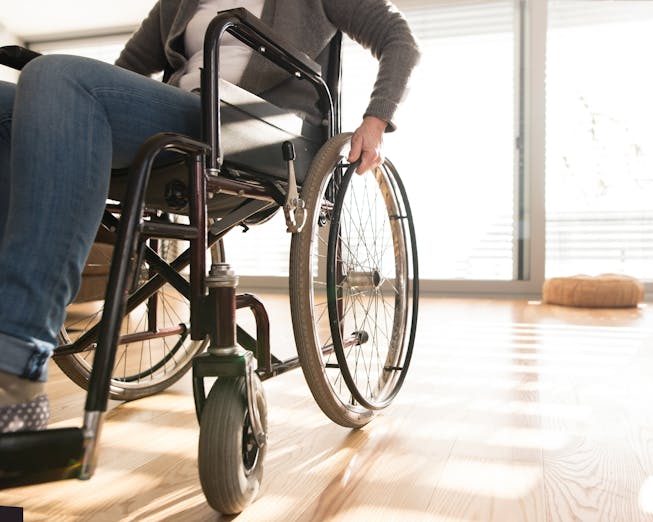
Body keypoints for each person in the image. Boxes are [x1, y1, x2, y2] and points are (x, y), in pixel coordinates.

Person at [0, 0, 420, 432]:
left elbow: (398, 39)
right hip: (180, 112)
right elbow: (124, 72)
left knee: (56, 76)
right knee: (13, 98)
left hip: (256, 126)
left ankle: (16, 363)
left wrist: (376, 119)